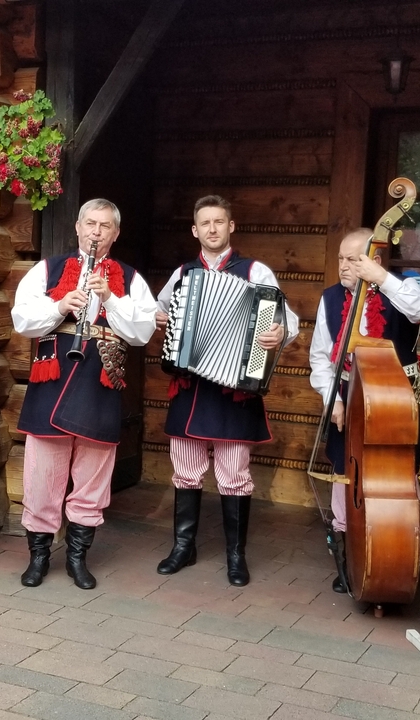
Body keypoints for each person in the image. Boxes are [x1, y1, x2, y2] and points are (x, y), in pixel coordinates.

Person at [11, 199, 157, 590]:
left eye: (104, 226)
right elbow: (22, 320)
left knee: (93, 478)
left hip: (100, 381)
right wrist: (60, 305)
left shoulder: (130, 278)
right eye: (90, 223)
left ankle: (77, 558)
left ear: (115, 233)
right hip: (53, 378)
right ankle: (39, 557)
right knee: (42, 475)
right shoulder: (48, 269)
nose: (96, 232)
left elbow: (141, 332)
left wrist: (109, 297)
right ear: (77, 227)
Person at [154, 195, 298, 586]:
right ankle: (184, 547)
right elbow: (157, 308)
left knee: (234, 474)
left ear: (231, 226)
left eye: (219, 221)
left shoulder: (256, 271)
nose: (212, 229)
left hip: (236, 389)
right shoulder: (183, 273)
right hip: (191, 386)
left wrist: (279, 333)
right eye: (205, 223)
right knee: (186, 473)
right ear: (195, 230)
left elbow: (290, 321)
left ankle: (236, 555)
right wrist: (161, 317)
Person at [309, 228, 420, 594]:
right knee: (346, 474)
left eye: (353, 259)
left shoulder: (398, 290)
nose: (344, 267)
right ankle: (351, 555)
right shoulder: (331, 298)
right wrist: (330, 399)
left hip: (396, 401)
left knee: (399, 479)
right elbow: (320, 356)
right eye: (340, 260)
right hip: (349, 395)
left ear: (373, 260)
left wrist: (380, 278)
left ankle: (401, 549)